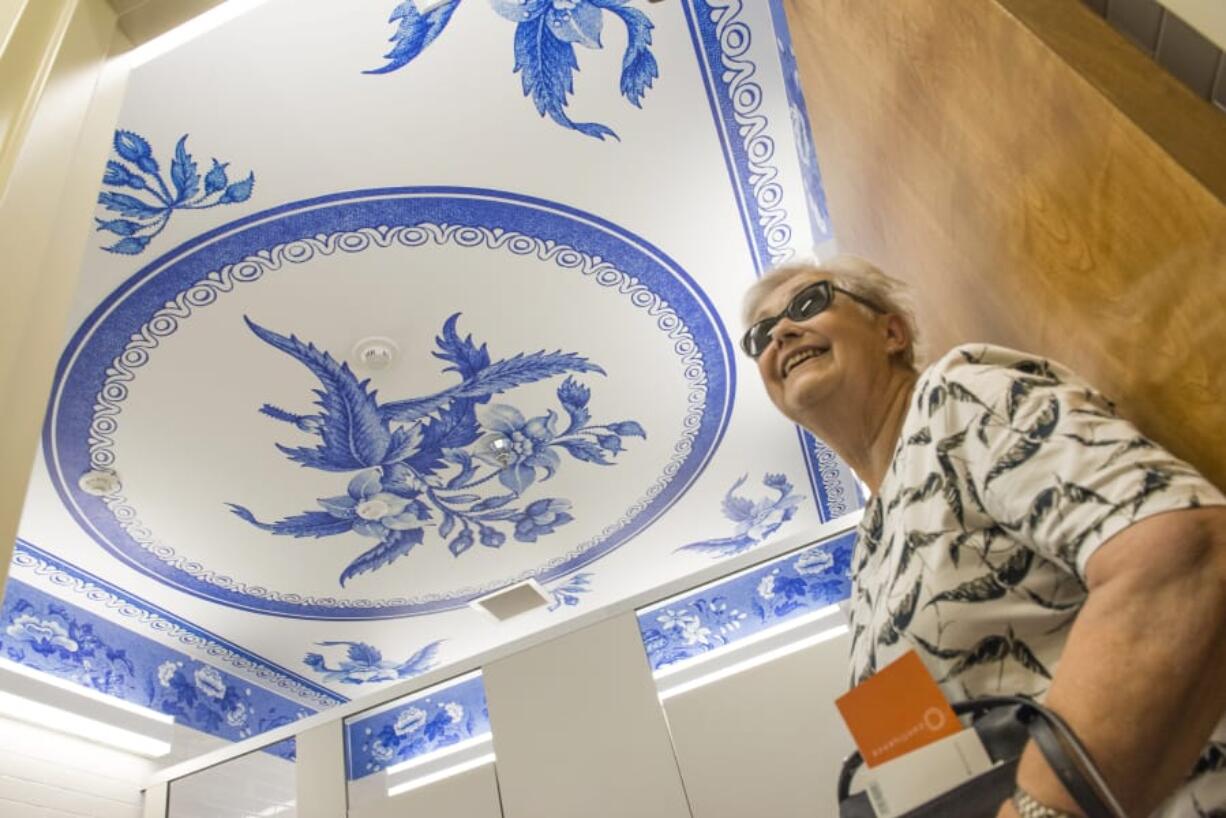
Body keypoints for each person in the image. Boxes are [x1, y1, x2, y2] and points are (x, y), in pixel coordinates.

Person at [741, 254, 1226, 818]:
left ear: (891, 331)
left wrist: (1039, 809)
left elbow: (1185, 553)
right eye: (760, 335)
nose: (780, 332)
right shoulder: (866, 562)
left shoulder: (954, 398)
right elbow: (920, 761)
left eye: (808, 303)